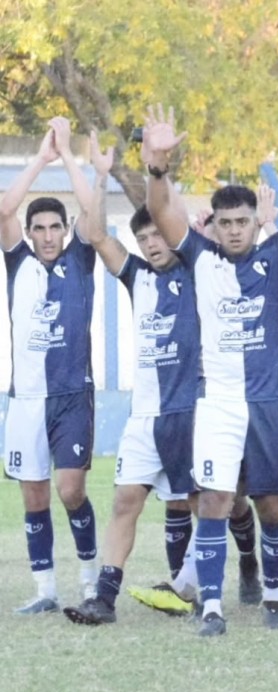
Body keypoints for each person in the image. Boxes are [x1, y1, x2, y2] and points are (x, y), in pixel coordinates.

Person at [141, 102, 278, 636]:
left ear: (255, 221)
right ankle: (212, 608)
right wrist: (157, 166)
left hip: (269, 402)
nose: (233, 230)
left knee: (273, 504)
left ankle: (273, 598)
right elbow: (160, 212)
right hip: (217, 402)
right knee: (215, 501)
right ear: (214, 225)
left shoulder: (275, 256)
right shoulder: (200, 256)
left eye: (242, 221)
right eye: (224, 222)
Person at [62, 135, 199, 625]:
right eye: (143, 240)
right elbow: (97, 234)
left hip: (191, 410)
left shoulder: (202, 271)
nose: (151, 244)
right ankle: (104, 597)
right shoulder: (137, 277)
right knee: (126, 500)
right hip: (145, 414)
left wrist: (162, 170)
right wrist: (98, 176)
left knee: (205, 503)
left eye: (157, 235)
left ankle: (213, 578)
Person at [1, 117, 99, 614]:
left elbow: (91, 208)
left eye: (53, 227)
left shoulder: (81, 260)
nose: (44, 235)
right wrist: (40, 159)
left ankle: (89, 580)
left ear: (64, 231)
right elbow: (3, 208)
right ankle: (44, 592)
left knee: (70, 489)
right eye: (37, 228)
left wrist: (69, 158)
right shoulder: (17, 262)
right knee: (34, 496)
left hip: (69, 396)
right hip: (24, 400)